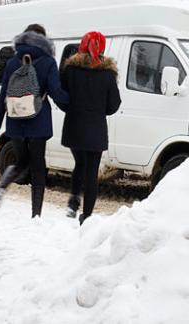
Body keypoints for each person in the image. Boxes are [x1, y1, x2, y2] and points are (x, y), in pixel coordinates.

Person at [0, 24, 69, 218]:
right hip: (38, 122)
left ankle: (1, 187)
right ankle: (36, 215)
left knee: (21, 161)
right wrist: (73, 106)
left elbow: (3, 96)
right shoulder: (48, 61)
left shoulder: (12, 62)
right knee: (38, 167)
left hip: (15, 121)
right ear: (43, 39)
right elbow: (57, 93)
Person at [59, 31, 121, 225]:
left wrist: (72, 108)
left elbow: (62, 98)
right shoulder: (108, 74)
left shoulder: (70, 70)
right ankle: (86, 216)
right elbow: (114, 105)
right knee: (91, 172)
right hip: (96, 130)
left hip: (74, 127)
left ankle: (73, 202)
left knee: (80, 163)